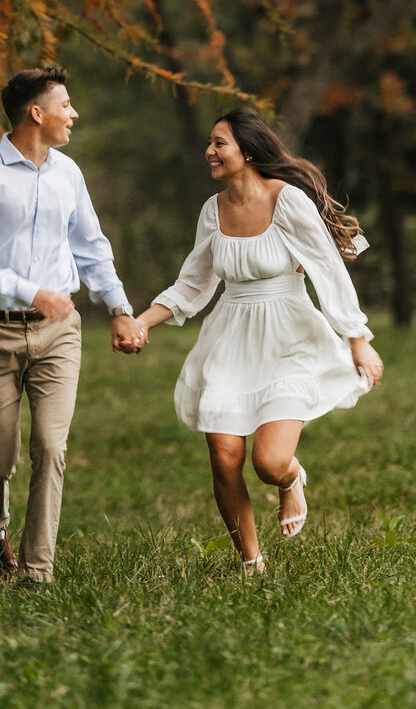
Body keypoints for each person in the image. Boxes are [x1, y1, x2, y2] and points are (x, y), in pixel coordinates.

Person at [133, 108, 382, 573]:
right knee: (225, 457)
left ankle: (290, 481)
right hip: (230, 338)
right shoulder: (213, 210)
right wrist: (143, 321)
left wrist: (357, 337)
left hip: (290, 337)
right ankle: (252, 565)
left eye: (219, 142)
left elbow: (328, 268)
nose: (209, 151)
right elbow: (193, 285)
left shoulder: (287, 200)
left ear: (247, 151)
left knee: (269, 461)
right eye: (209, 142)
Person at [0, 64, 145, 585]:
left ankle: (36, 573)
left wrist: (119, 308)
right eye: (65, 104)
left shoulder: (68, 174)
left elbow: (91, 247)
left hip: (60, 334)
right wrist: (29, 292)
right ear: (37, 113)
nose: (73, 113)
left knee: (51, 447)